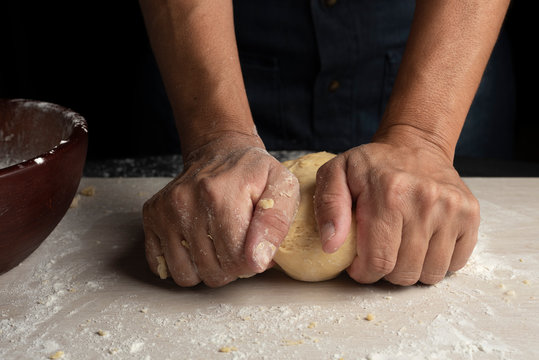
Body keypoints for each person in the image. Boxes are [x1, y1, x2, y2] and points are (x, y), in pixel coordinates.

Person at [138, 0, 512, 287]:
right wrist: (214, 134)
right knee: (213, 211)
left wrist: (422, 137)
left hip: (435, 42)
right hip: (208, 44)